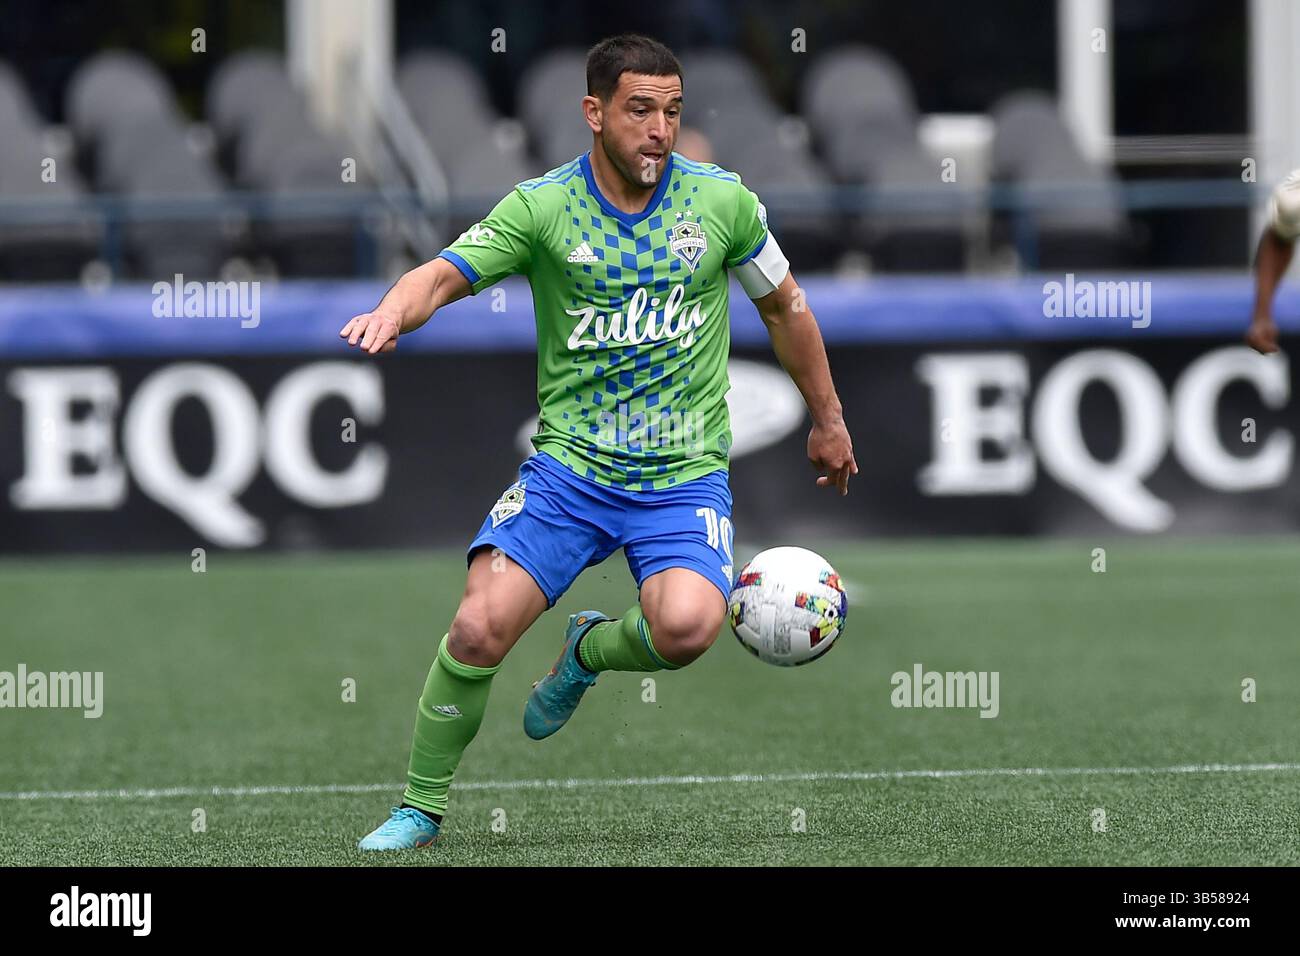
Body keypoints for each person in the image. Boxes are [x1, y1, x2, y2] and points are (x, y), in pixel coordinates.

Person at [341, 33, 857, 851]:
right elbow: (440, 273)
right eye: (641, 110)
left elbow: (786, 308)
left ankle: (588, 651)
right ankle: (420, 807)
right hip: (569, 476)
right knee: (477, 628)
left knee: (687, 628)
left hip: (683, 476)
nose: (660, 129)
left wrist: (826, 417)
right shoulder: (544, 208)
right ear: (594, 112)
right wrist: (390, 312)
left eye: (673, 112)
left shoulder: (723, 204)